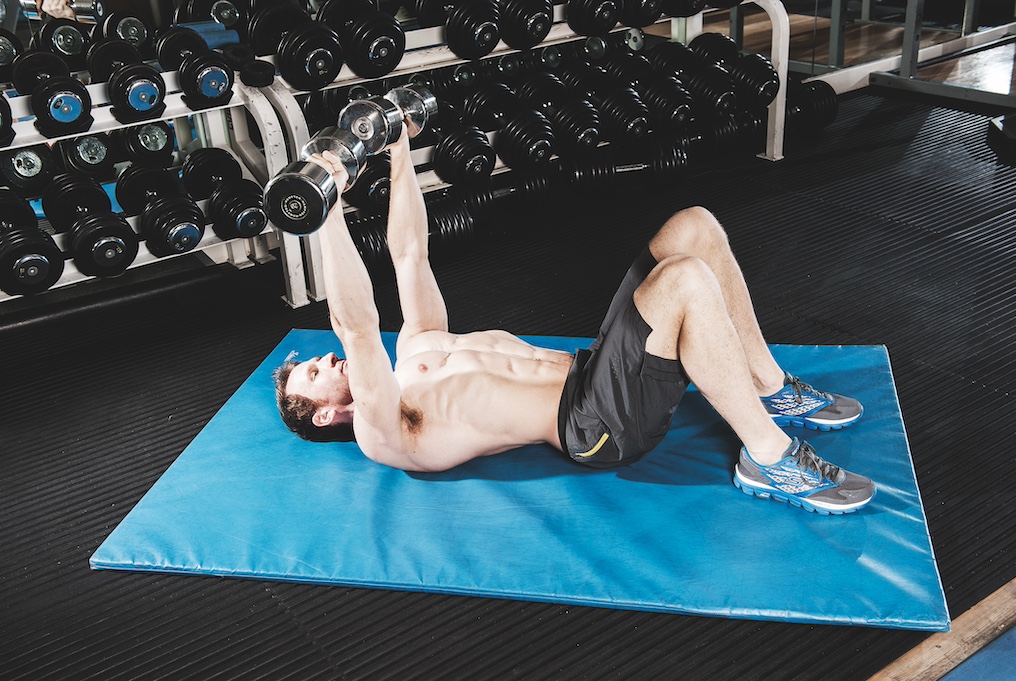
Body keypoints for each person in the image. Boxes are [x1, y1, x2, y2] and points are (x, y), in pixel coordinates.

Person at [273, 120, 875, 515]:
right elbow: (354, 325)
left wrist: (400, 154)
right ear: (325, 412)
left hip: (593, 370)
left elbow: (410, 254)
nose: (326, 359)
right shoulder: (383, 432)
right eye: (313, 375)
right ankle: (769, 459)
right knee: (685, 279)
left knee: (693, 226)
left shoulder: (416, 351)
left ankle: (770, 388)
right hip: (598, 424)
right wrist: (326, 213)